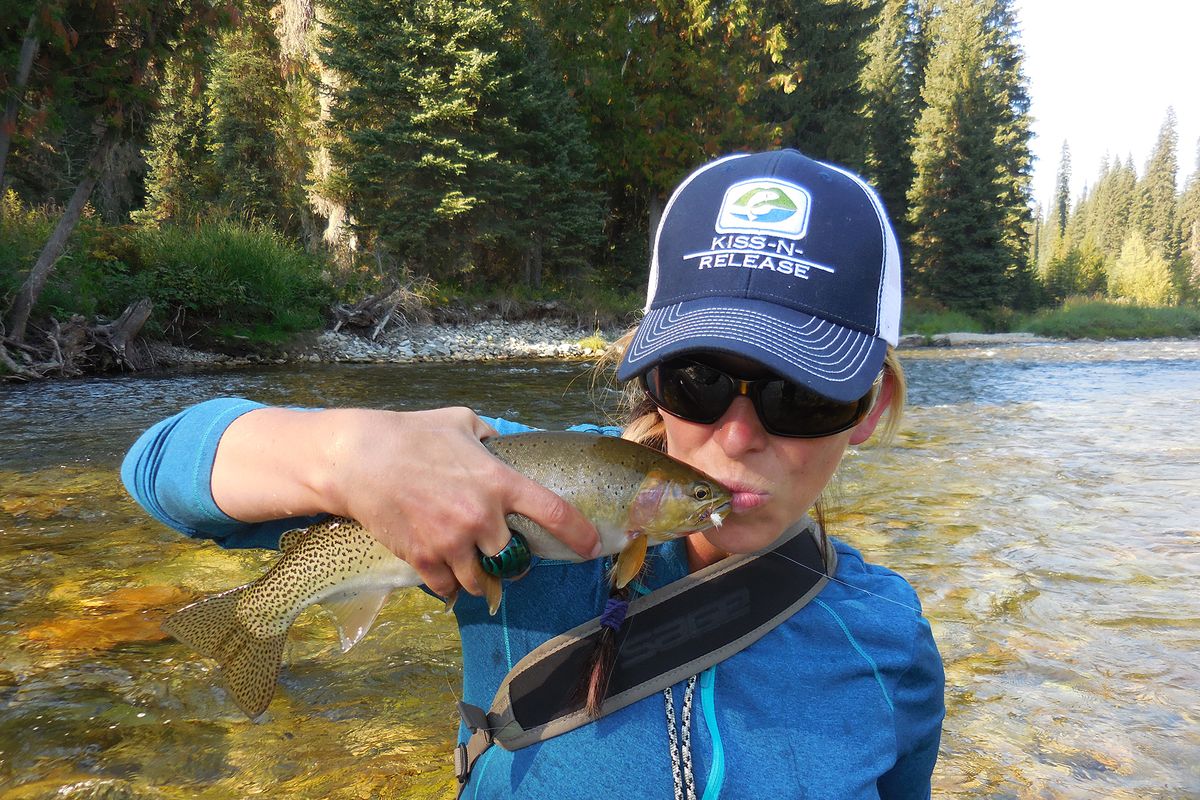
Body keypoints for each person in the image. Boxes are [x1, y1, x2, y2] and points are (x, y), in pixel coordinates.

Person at [123, 149, 944, 798]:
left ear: (870, 409)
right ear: (647, 375)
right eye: (695, 382)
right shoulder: (509, 476)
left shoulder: (888, 639)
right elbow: (156, 464)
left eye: (799, 397)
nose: (736, 436)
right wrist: (347, 457)